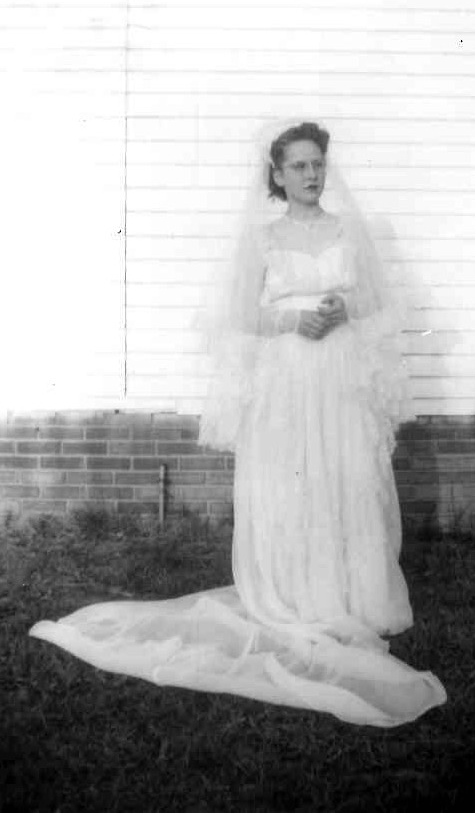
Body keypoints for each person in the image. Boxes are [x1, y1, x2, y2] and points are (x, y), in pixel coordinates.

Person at [29, 120, 446, 728]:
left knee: (342, 478)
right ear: (277, 174)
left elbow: (379, 303)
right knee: (289, 483)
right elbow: (237, 317)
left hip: (338, 374)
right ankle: (293, 594)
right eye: (298, 165)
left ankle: (349, 597)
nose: (311, 174)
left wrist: (345, 307)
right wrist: (290, 322)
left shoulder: (348, 232)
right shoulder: (262, 239)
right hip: (285, 375)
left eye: (317, 164)